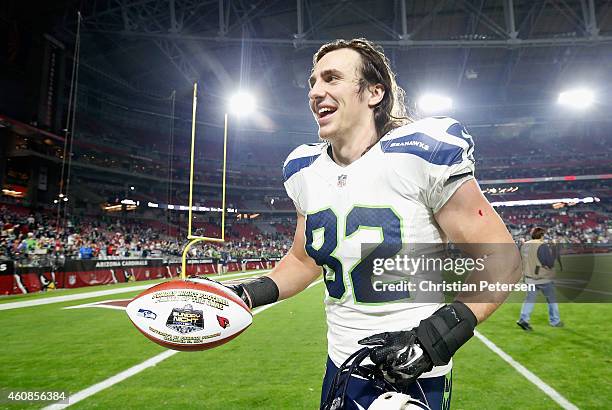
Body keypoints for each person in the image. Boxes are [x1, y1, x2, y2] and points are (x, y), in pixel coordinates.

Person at [219, 38, 521, 409]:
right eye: (313, 82)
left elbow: (502, 260)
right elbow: (303, 259)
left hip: (414, 373)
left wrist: (433, 340)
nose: (316, 91)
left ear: (374, 92)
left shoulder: (419, 153)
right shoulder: (304, 170)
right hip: (341, 365)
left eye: (331, 79)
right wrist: (247, 293)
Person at [516, 227, 563, 331]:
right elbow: (549, 263)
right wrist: (554, 249)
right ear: (542, 235)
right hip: (542, 277)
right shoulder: (542, 246)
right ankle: (555, 321)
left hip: (529, 277)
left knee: (529, 299)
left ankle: (523, 319)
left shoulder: (525, 246)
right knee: (551, 300)